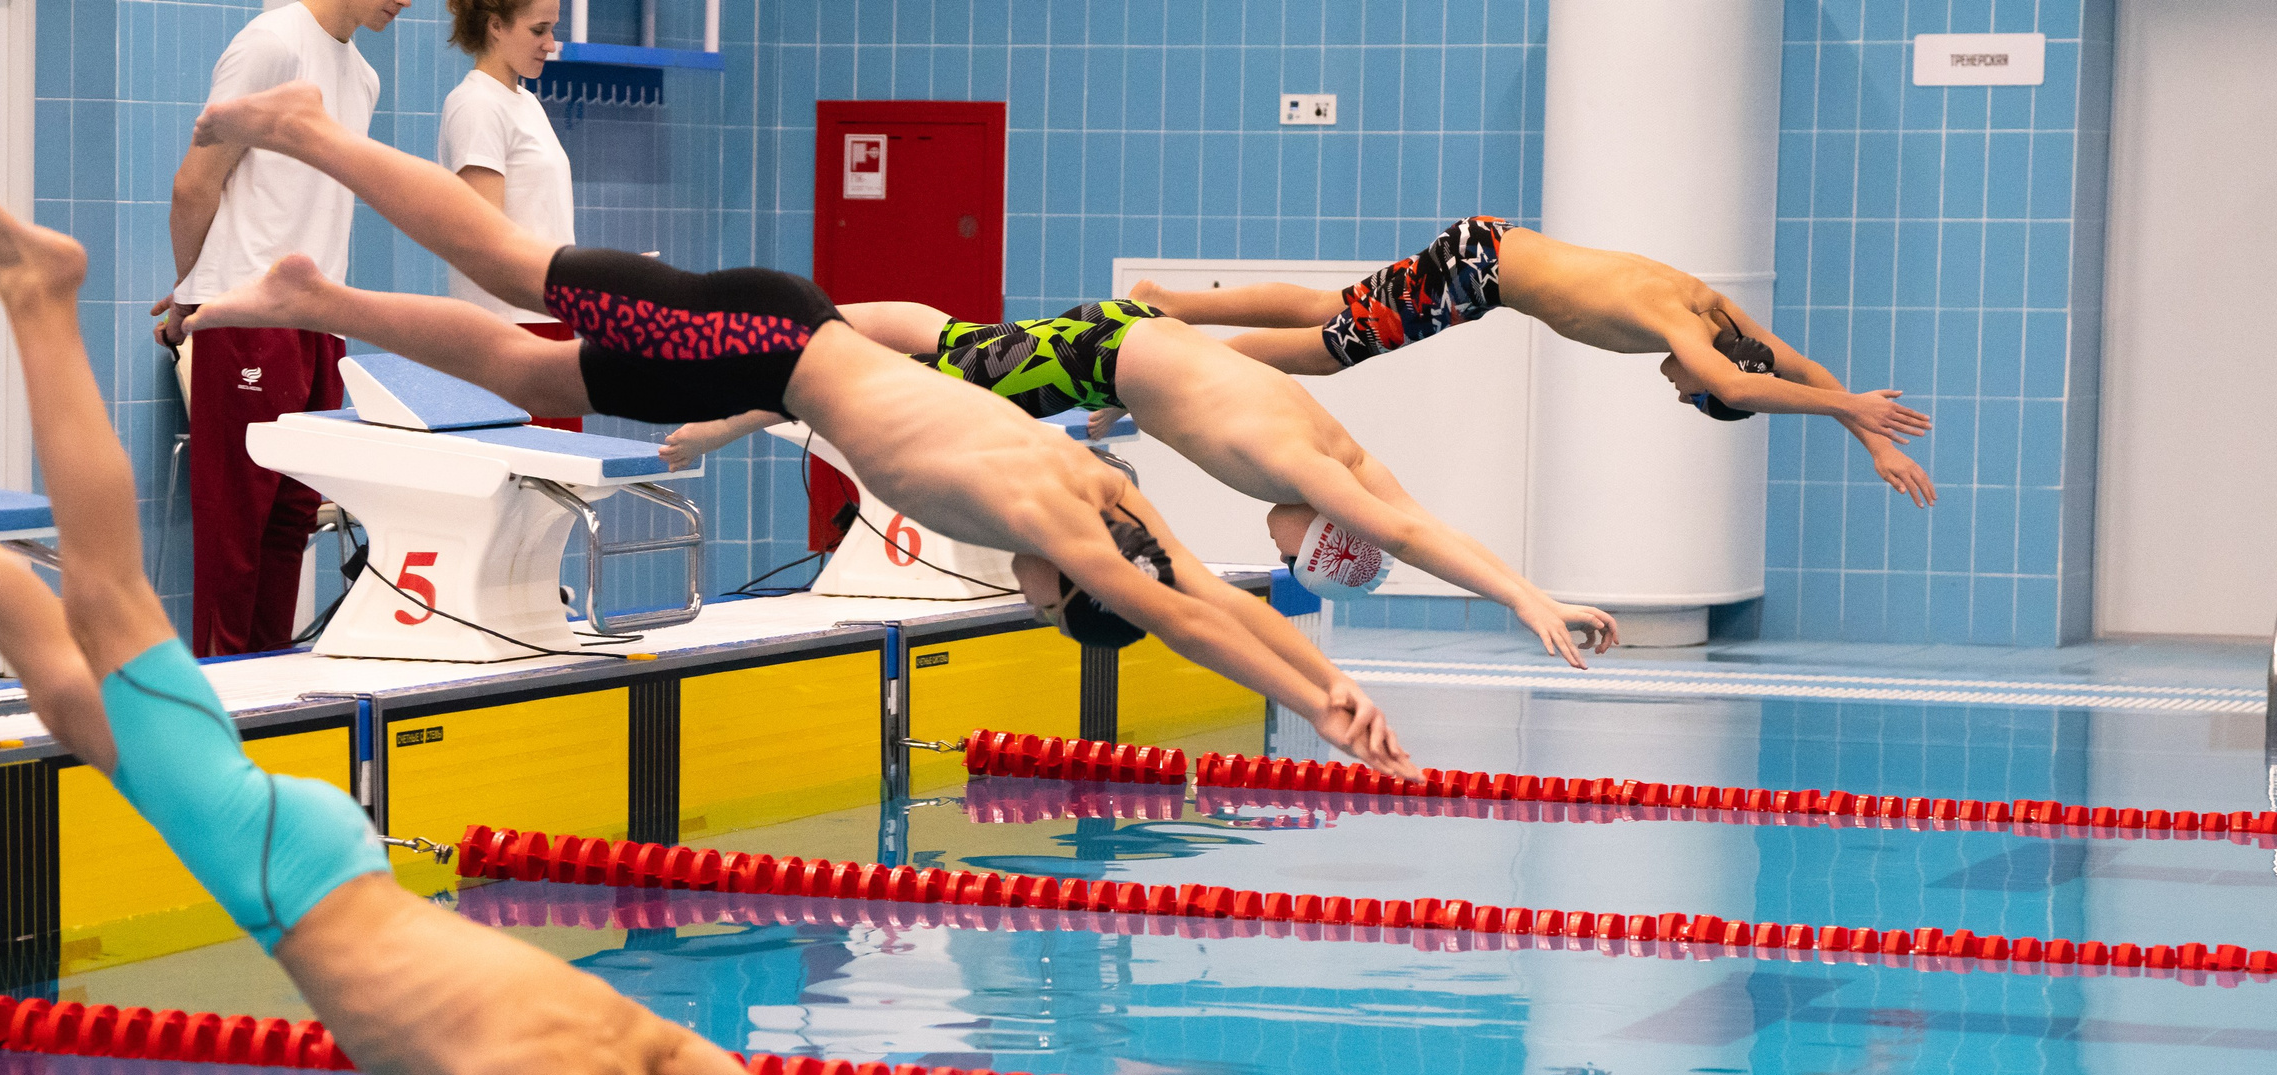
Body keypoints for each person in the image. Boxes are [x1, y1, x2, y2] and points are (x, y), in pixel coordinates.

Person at [0, 139, 1061, 1075]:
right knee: (110, 608)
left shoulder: (644, 1047)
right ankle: (36, 304)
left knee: (76, 685)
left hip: (338, 870)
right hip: (288, 880)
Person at [181, 81, 1417, 778]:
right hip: (757, 343)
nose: (1030, 601)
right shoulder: (1062, 523)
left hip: (778, 356)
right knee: (512, 271)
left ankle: (318, 300)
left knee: (521, 360)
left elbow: (1200, 586)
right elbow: (1183, 617)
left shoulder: (1103, 494)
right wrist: (1309, 704)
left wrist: (1333, 681)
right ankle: (307, 133)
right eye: (1046, 606)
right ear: (1065, 585)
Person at [661, 299, 1621, 668]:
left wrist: (1539, 588)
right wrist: (1527, 605)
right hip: (1103, 356)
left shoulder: (1348, 455)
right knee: (873, 362)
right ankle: (722, 416)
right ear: (1324, 533)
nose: (1278, 548)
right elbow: (1412, 539)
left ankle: (737, 401)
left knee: (935, 344)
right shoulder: (1310, 472)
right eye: (1295, 555)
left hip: (1119, 349)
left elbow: (1423, 523)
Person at [1129, 217, 1938, 508]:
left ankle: (1176, 309)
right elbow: (1742, 384)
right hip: (1482, 268)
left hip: (1486, 260)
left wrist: (1875, 439)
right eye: (1696, 401)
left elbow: (1794, 365)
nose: (1684, 394)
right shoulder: (1689, 331)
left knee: (1331, 317)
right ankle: (1175, 344)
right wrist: (1851, 411)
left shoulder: (1722, 317)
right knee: (1330, 344)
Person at [152, 0, 405, 657]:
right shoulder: (271, 44)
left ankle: (270, 695)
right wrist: (193, 293)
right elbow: (195, 183)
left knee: (291, 521)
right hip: (246, 319)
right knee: (235, 534)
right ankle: (226, 703)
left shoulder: (363, 77)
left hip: (319, 320)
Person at [440, 0, 583, 431]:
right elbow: (485, 239)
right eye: (539, 30)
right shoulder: (476, 105)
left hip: (547, 318)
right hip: (509, 330)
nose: (550, 44)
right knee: (527, 488)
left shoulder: (525, 102)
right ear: (496, 25)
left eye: (553, 30)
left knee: (562, 490)